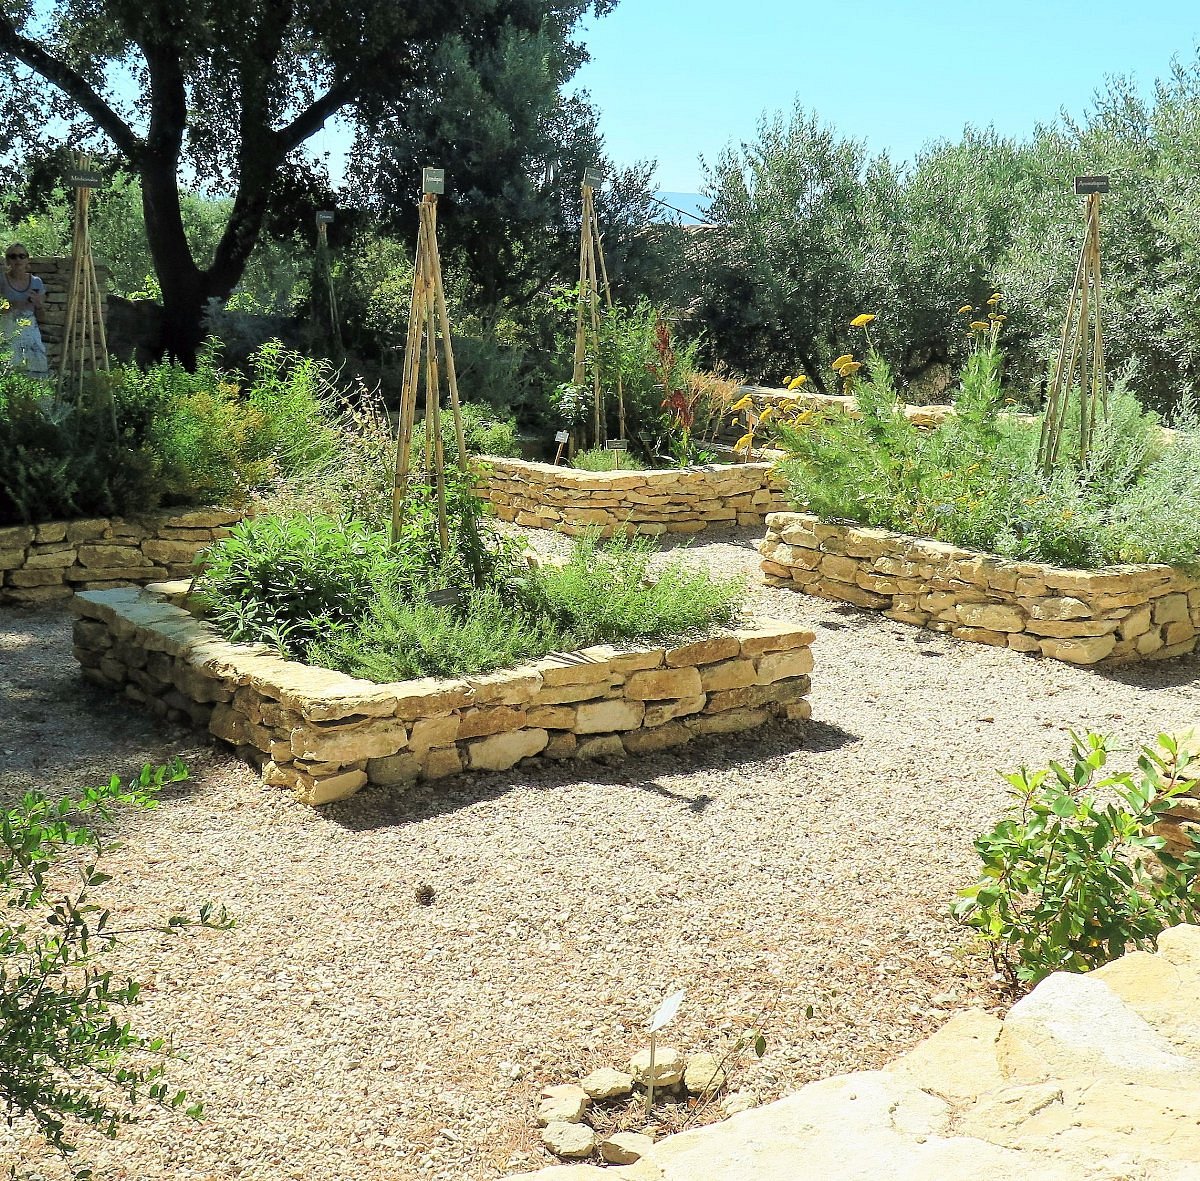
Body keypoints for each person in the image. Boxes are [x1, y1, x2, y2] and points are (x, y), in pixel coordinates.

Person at [1, 243, 49, 378]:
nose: (18, 260)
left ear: (27, 260)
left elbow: (42, 317)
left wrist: (39, 305)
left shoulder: (36, 282)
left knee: (36, 373)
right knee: (10, 373)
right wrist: (13, 305)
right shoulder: (1, 281)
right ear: (8, 260)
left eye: (22, 256)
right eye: (13, 256)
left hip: (30, 333)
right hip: (7, 331)